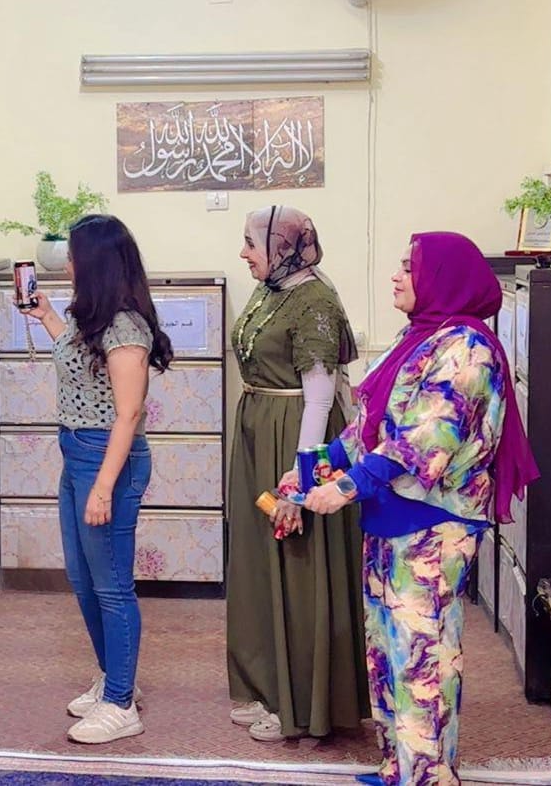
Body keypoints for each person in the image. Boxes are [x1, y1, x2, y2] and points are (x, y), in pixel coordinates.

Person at [300, 232, 538, 786]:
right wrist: (319, 464)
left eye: (409, 268)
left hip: (433, 526)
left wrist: (348, 486)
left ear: (441, 279)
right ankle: (398, 768)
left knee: (422, 657)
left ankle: (428, 777)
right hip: (390, 518)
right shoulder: (420, 336)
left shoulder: (468, 350)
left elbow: (425, 438)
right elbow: (371, 424)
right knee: (386, 650)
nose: (397, 276)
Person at [17, 214, 173, 745]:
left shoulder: (126, 327)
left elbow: (128, 413)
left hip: (107, 459)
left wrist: (104, 486)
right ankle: (114, 678)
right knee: (84, 579)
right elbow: (82, 366)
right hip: (77, 451)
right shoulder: (93, 318)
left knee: (111, 586)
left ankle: (121, 703)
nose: (67, 263)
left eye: (74, 255)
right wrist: (45, 317)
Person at [225, 206, 368, 742]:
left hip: (295, 435)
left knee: (298, 566)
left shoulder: (314, 300)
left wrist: (301, 477)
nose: (244, 253)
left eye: (251, 243)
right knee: (259, 561)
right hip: (258, 428)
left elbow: (320, 398)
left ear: (282, 246)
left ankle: (302, 704)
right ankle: (266, 685)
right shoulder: (271, 289)